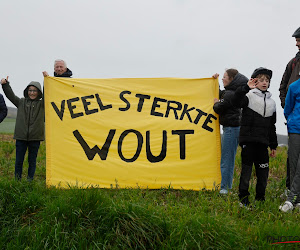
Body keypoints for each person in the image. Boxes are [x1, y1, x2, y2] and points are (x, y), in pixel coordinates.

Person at [232, 67, 278, 207]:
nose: (264, 82)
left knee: (263, 173)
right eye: (261, 80)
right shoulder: (249, 96)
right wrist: (246, 88)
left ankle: (260, 199)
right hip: (248, 142)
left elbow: (272, 126)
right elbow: (235, 102)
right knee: (246, 171)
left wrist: (273, 145)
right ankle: (243, 199)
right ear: (255, 81)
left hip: (263, 144)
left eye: (267, 80)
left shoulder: (272, 103)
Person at [1, 76, 44, 181]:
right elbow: (10, 95)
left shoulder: (42, 104)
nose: (32, 93)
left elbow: (48, 94)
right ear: (27, 91)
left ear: (39, 92)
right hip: (21, 137)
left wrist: (46, 80)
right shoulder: (21, 102)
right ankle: (17, 181)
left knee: (32, 161)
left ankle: (30, 181)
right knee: (19, 161)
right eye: (30, 90)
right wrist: (5, 85)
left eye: (34, 91)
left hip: (35, 138)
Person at [212, 69, 248, 194]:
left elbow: (218, 107)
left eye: (224, 77)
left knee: (227, 159)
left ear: (231, 79)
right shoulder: (231, 93)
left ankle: (225, 188)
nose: (223, 79)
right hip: (234, 129)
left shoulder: (230, 94)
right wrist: (214, 82)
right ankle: (227, 186)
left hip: (231, 129)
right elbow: (221, 94)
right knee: (229, 158)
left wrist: (216, 103)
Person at [279, 27, 300, 196]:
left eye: (299, 39)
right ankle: (290, 192)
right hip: (294, 119)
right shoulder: (292, 62)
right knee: (292, 159)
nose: (297, 43)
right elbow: (283, 86)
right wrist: (289, 110)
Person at [279, 78, 300, 212]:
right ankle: (297, 201)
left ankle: (290, 199)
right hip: (295, 129)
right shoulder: (294, 86)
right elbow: (287, 109)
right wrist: (293, 120)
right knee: (293, 164)